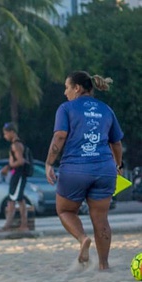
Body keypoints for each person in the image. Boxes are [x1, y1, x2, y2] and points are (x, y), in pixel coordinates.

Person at [44, 71, 124, 270]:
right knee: (101, 218)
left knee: (65, 210)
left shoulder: (66, 108)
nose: (65, 92)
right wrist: (118, 166)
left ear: (77, 88)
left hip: (75, 169)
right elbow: (117, 143)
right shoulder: (106, 109)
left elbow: (60, 136)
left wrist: (48, 163)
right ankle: (104, 265)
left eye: (67, 87)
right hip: (104, 169)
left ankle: (82, 238)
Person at [0, 123, 29, 232]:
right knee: (13, 199)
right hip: (17, 175)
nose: (5, 136)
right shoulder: (16, 144)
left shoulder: (16, 145)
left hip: (19, 175)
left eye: (5, 133)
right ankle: (9, 224)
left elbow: (21, 161)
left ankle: (22, 225)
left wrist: (8, 167)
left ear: (11, 132)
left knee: (17, 200)